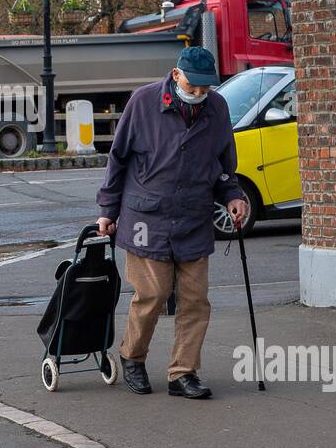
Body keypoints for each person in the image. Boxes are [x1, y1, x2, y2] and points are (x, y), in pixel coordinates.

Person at [96, 46, 247, 399]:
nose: (197, 95)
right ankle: (132, 357)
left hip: (194, 217)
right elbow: (117, 160)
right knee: (153, 294)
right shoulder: (143, 102)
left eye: (205, 90)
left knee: (195, 300)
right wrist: (107, 210)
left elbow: (225, 166)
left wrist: (233, 197)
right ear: (176, 75)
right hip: (146, 217)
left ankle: (183, 373)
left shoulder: (217, 108)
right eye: (192, 87)